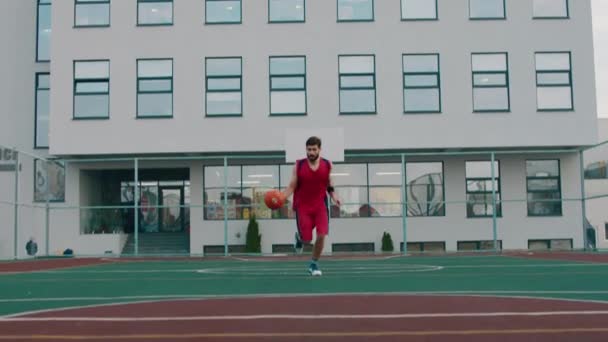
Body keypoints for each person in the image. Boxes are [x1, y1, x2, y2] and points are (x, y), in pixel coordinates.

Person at [282, 136, 340, 276]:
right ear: (306, 150)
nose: (311, 152)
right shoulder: (299, 165)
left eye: (314, 149)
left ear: (319, 149)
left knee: (321, 235)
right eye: (309, 149)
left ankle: (314, 264)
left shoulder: (328, 165)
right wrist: (281, 198)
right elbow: (291, 186)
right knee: (307, 239)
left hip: (320, 205)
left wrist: (334, 196)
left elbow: (329, 183)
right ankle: (300, 239)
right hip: (303, 207)